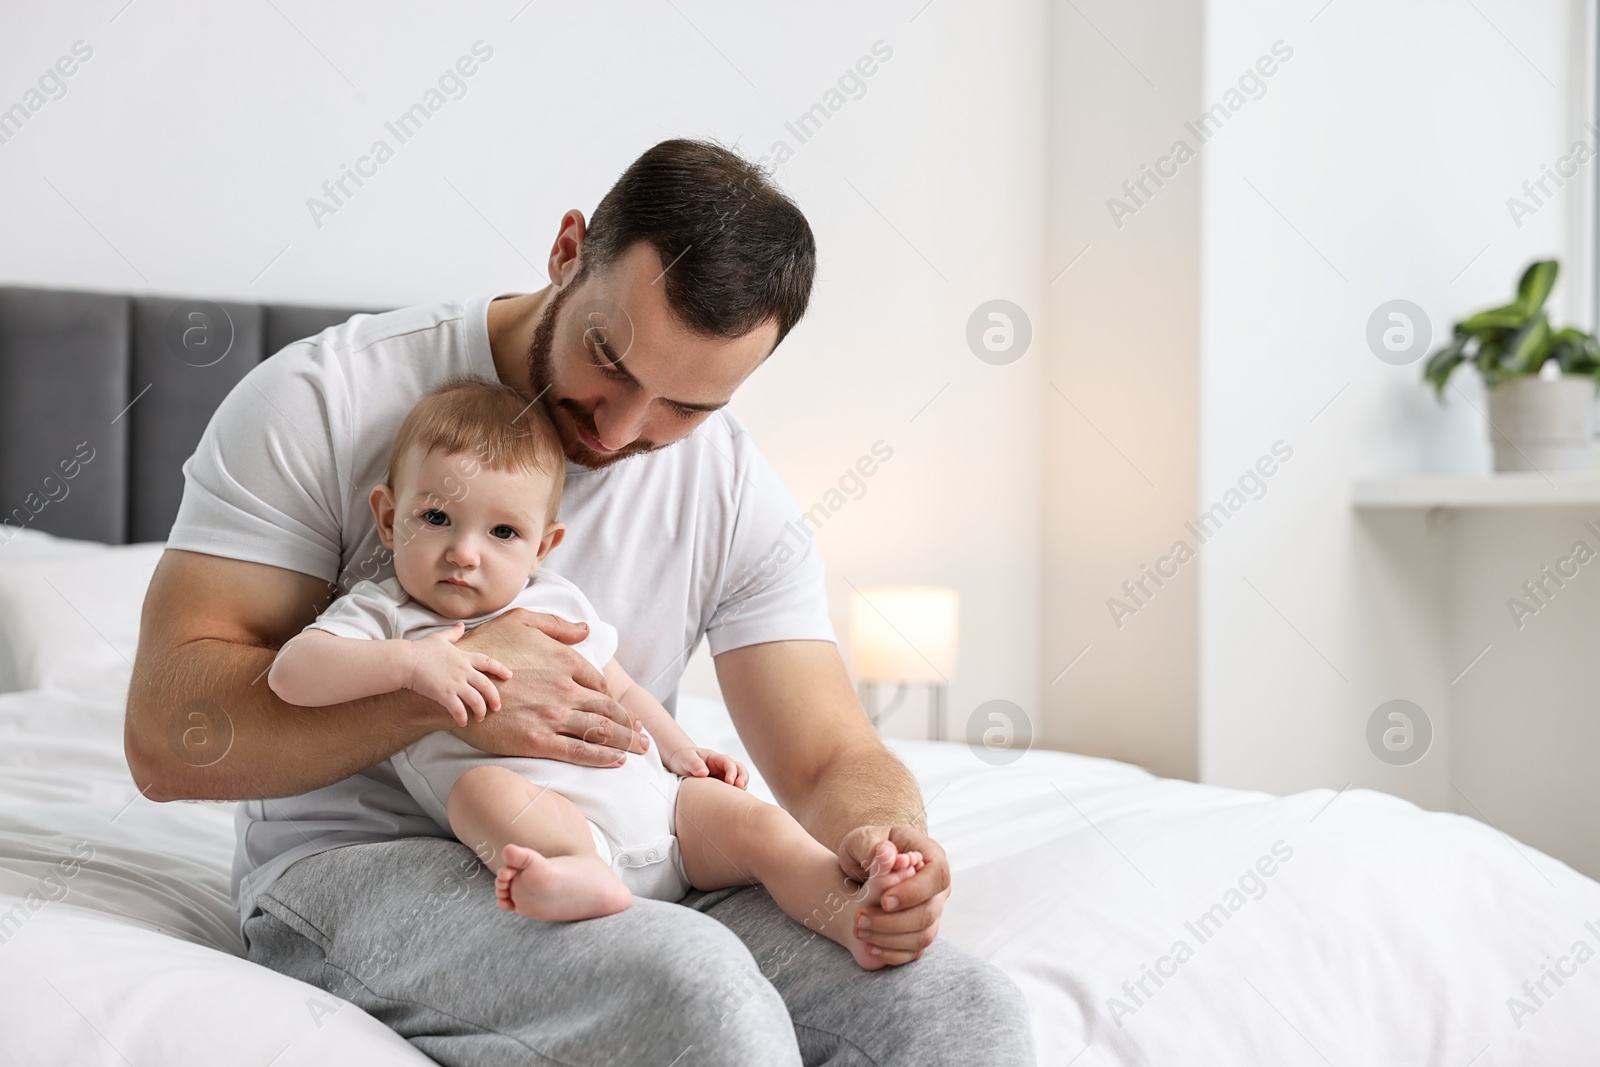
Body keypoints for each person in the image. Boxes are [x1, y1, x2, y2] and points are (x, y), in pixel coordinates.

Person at [127, 138, 1035, 1064]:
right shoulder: (320, 402)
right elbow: (165, 738)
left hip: (638, 849)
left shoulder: (729, 487)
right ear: (568, 251)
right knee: (697, 996)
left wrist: (891, 847)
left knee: (961, 1012)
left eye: (686, 406)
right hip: (355, 866)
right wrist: (444, 692)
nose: (621, 430)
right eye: (611, 359)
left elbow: (829, 754)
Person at [267, 377, 927, 963]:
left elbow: (622, 685)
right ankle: (578, 871)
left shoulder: (555, 600)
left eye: (502, 533)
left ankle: (843, 906)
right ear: (387, 518)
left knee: (760, 826)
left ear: (543, 546)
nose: (464, 553)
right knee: (480, 796)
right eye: (436, 518)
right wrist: (412, 665)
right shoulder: (385, 617)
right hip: (560, 831)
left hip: (665, 821)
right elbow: (292, 674)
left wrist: (680, 749)